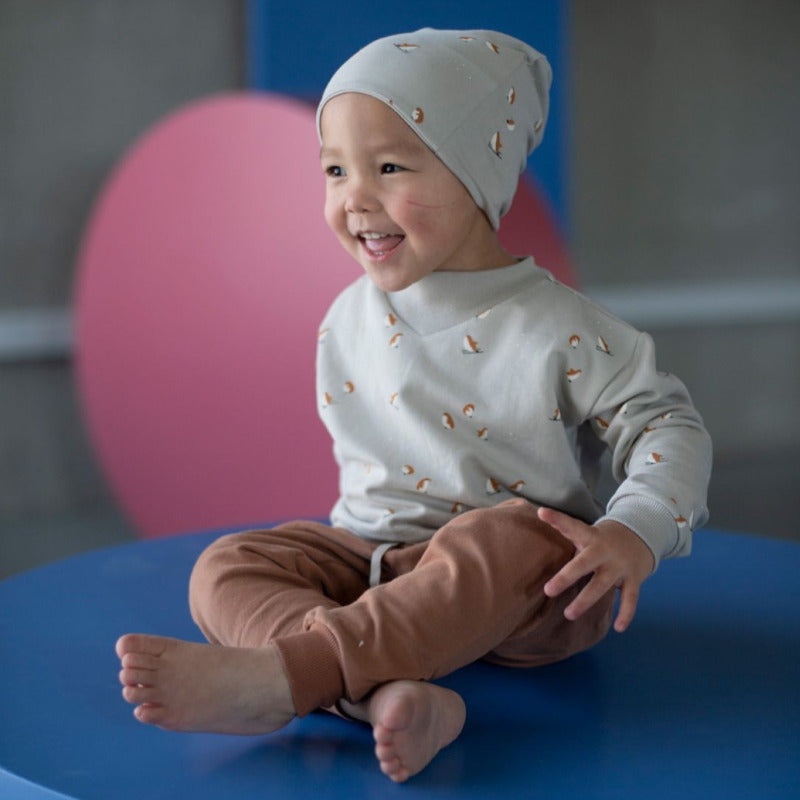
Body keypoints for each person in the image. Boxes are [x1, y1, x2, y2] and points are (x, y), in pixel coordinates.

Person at [116, 28, 712, 783]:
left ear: (477, 173)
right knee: (227, 565)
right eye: (335, 169)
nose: (354, 198)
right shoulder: (347, 315)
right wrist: (360, 572)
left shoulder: (566, 329)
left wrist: (634, 530)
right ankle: (382, 696)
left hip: (525, 595)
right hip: (371, 561)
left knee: (515, 539)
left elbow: (668, 425)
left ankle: (284, 678)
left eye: (390, 166)